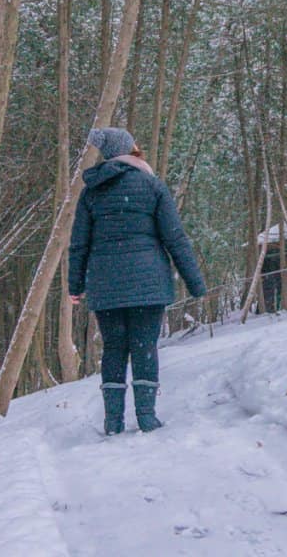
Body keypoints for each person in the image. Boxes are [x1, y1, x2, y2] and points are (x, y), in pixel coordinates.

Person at [68, 127, 207, 434]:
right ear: (130, 150)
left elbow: (79, 243)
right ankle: (146, 416)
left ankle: (113, 421)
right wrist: (195, 283)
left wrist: (75, 286)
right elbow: (176, 239)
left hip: (106, 285)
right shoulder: (151, 186)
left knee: (114, 348)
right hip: (148, 283)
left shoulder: (92, 192)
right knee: (144, 346)